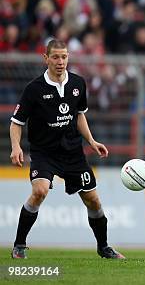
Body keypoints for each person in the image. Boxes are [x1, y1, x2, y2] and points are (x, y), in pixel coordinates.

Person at [9, 39, 124, 260]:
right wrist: (16, 147)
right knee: (39, 191)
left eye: (64, 56)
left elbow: (79, 114)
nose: (60, 61)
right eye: (55, 57)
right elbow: (16, 122)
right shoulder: (34, 89)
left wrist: (91, 141)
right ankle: (19, 245)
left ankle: (104, 247)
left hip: (72, 152)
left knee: (93, 201)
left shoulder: (78, 84)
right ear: (46, 58)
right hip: (44, 153)